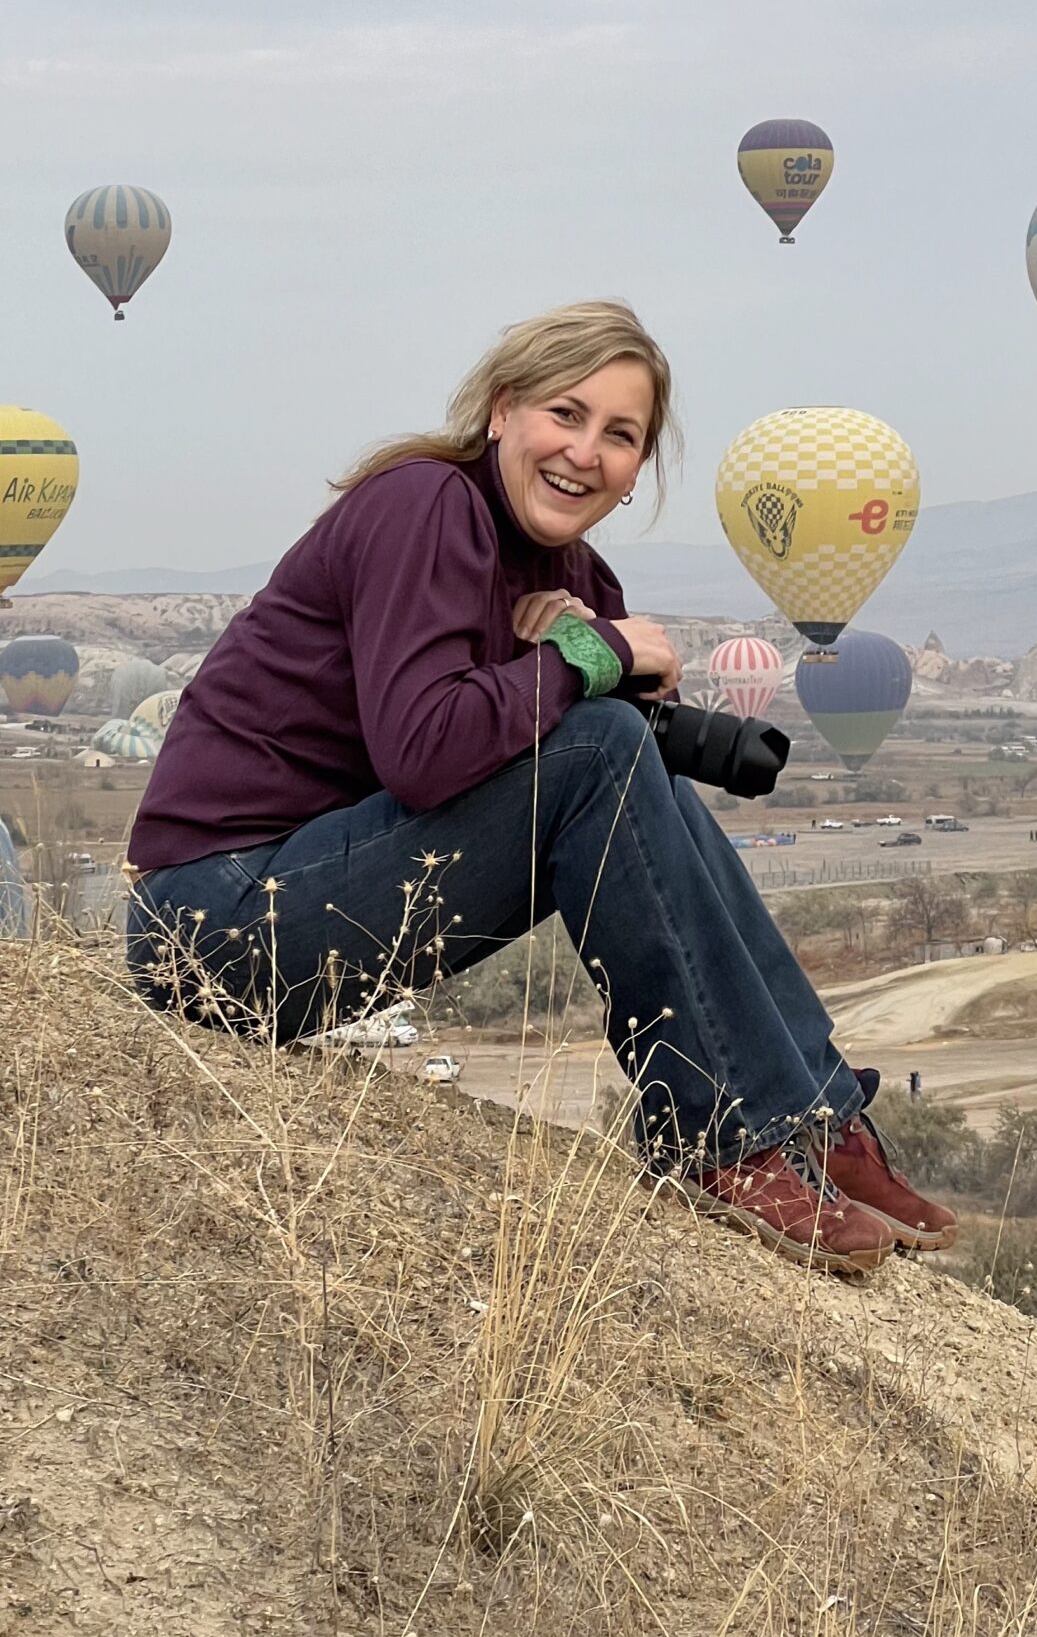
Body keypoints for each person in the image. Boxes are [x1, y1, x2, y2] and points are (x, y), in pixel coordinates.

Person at [126, 301, 954, 1276]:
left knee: (621, 755)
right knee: (600, 745)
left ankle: (811, 1116)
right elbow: (426, 753)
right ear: (501, 411)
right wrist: (593, 651)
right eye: (565, 414)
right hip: (212, 921)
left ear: (639, 466)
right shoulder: (424, 505)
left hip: (323, 889)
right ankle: (717, 1133)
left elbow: (598, 772)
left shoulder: (573, 570)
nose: (584, 452)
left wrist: (664, 704)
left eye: (620, 435)